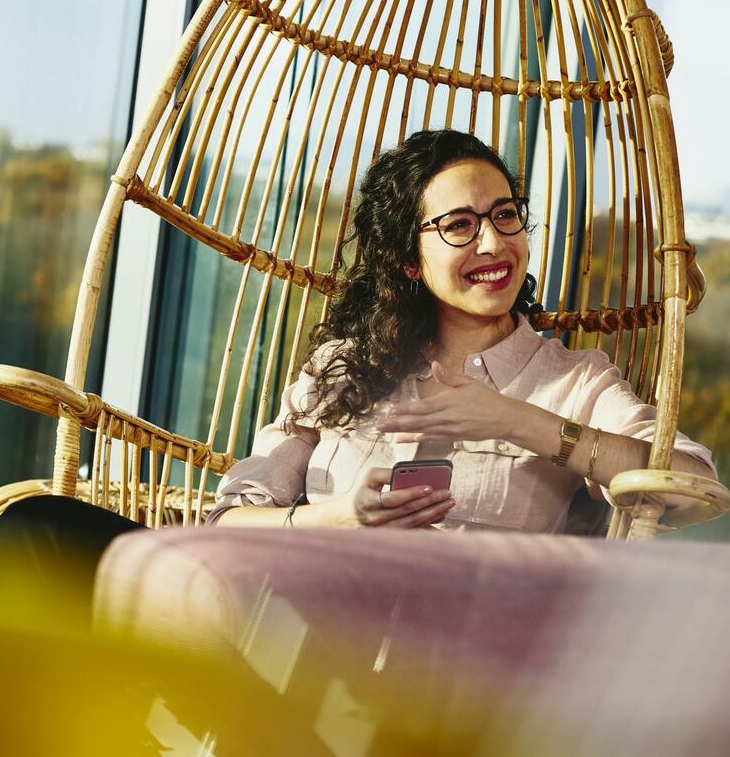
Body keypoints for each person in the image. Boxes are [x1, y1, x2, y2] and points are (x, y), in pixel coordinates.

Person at [210, 129, 716, 532]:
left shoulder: (576, 382)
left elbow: (692, 485)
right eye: (459, 225)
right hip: (308, 642)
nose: (494, 243)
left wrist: (515, 421)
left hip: (481, 657)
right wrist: (339, 517)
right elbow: (227, 524)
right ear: (409, 259)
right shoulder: (343, 367)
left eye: (505, 215)